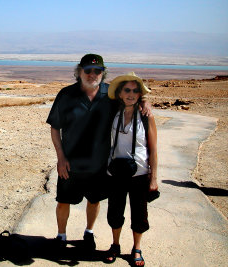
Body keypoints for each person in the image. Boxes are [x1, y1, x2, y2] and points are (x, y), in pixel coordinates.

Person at [46, 55, 152, 250]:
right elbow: (55, 128)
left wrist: (144, 102)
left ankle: (89, 233)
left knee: (94, 201)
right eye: (88, 70)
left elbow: (130, 100)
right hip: (71, 163)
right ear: (79, 72)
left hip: (100, 164)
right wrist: (60, 158)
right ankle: (61, 236)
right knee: (63, 201)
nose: (93, 74)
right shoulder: (66, 95)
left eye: (98, 71)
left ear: (103, 73)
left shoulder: (110, 94)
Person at [105, 72, 158, 266]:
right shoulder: (113, 112)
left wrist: (154, 178)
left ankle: (137, 248)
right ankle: (115, 245)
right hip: (116, 172)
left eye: (136, 91)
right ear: (120, 93)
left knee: (139, 214)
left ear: (140, 95)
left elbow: (153, 149)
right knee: (115, 212)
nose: (131, 94)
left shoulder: (146, 116)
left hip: (140, 174)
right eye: (127, 90)